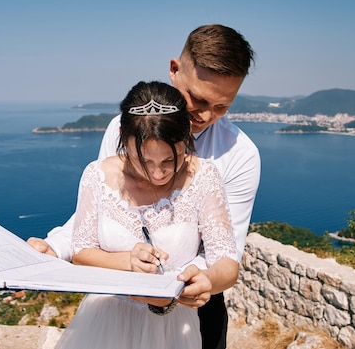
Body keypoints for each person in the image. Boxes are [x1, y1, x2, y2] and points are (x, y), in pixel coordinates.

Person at [29, 24, 260, 349]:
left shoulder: (241, 155)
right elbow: (103, 209)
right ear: (174, 70)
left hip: (195, 307)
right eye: (197, 98)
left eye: (222, 106)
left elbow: (224, 253)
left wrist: (192, 279)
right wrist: (53, 247)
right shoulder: (125, 128)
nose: (207, 115)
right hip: (114, 308)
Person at [54, 80, 239, 349]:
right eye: (144, 160)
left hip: (174, 330)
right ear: (122, 137)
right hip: (105, 322)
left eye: (169, 160)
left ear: (186, 136)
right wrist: (127, 261)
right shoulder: (96, 176)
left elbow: (227, 262)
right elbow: (81, 252)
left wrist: (207, 280)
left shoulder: (205, 177)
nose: (157, 173)